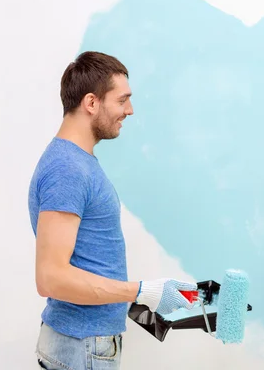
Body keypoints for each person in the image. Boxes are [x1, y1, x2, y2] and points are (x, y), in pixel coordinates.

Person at [28, 51, 197, 370]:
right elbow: (50, 278)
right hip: (81, 348)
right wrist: (143, 290)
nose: (129, 111)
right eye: (122, 100)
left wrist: (143, 305)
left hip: (83, 344)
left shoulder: (76, 163)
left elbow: (91, 264)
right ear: (91, 103)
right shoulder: (68, 169)